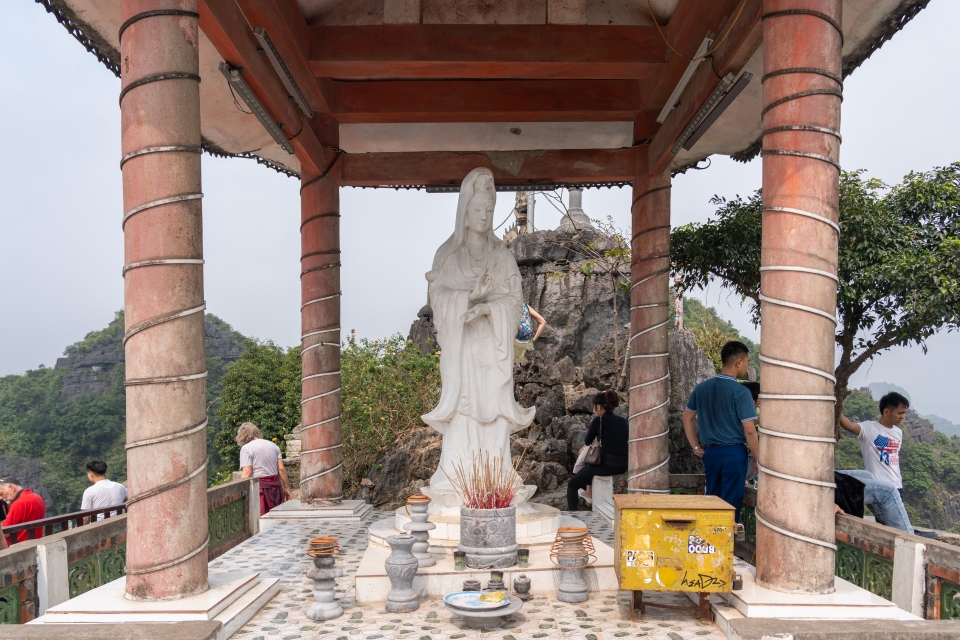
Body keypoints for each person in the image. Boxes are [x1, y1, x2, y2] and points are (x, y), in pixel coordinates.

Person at [422, 168, 536, 503]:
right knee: (465, 412)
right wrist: (470, 298)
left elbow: (514, 300)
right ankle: (457, 480)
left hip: (491, 348)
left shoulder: (501, 255)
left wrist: (488, 308)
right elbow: (439, 296)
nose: (484, 217)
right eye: (477, 210)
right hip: (462, 349)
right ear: (465, 211)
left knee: (493, 412)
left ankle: (497, 482)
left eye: (489, 210)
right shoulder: (448, 254)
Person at [682, 341, 759, 521]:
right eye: (747, 361)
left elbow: (687, 417)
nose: (747, 365)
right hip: (733, 452)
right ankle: (726, 544)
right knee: (730, 506)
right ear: (738, 362)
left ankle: (710, 542)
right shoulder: (741, 392)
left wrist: (695, 447)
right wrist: (759, 459)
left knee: (712, 501)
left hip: (710, 453)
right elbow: (749, 431)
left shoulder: (702, 388)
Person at [566, 390, 629, 511]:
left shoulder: (599, 420)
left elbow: (587, 440)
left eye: (594, 407)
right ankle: (589, 494)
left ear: (598, 406)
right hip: (623, 465)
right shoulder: (623, 421)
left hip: (607, 465)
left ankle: (572, 516)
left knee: (572, 485)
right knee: (589, 472)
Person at [840, 391, 908, 499]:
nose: (902, 417)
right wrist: (838, 412)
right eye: (900, 413)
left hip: (897, 486)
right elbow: (850, 426)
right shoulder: (869, 428)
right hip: (879, 487)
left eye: (904, 413)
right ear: (886, 412)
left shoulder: (898, 432)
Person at [833, 469, 914, 534]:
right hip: (823, 488)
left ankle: (887, 528)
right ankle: (910, 541)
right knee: (888, 491)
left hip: (829, 474)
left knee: (867, 475)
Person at [236, 423, 291, 516]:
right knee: (277, 518)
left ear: (242, 436)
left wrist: (237, 492)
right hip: (276, 487)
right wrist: (286, 488)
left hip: (260, 488)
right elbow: (281, 469)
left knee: (261, 520)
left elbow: (247, 473)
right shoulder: (274, 445)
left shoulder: (246, 448)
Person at [1, 478, 46, 545]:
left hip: (19, 547)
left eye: (1, 494)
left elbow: (3, 533)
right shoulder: (37, 497)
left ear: (11, 487)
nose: (1, 498)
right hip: (35, 543)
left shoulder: (18, 504)